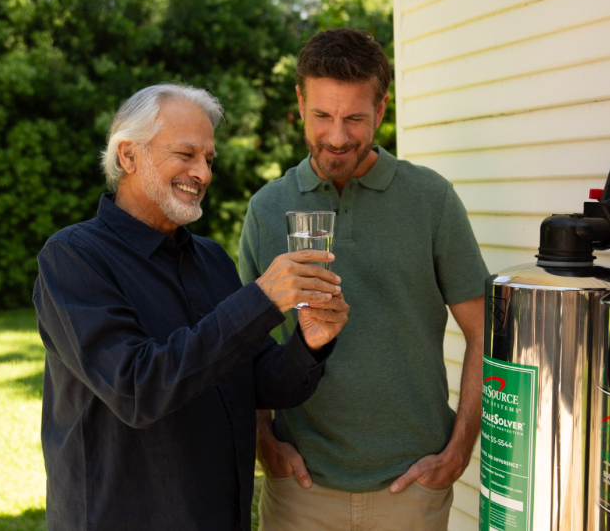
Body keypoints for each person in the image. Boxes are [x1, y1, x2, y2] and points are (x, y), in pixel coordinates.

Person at [32, 83, 350, 531]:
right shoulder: (73, 257)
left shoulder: (211, 259)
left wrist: (310, 343)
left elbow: (259, 382)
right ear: (128, 156)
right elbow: (137, 389)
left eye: (209, 159)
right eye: (186, 155)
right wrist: (259, 300)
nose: (202, 173)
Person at [239, 28, 488, 530]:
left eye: (354, 117)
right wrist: (265, 443)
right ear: (300, 102)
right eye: (322, 116)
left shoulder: (431, 200)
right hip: (300, 491)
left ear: (381, 109)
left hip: (410, 489)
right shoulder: (267, 209)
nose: (336, 137)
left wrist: (458, 453)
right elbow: (243, 345)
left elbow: (486, 330)